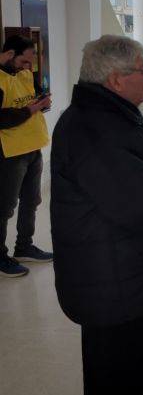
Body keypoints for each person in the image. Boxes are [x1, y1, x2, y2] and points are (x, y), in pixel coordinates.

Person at [51, 35, 143, 395]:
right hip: (112, 281)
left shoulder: (102, 117)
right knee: (117, 375)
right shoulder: (99, 128)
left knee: (119, 371)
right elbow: (139, 204)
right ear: (115, 79)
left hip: (117, 273)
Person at [0, 36, 53, 278]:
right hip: (10, 152)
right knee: (5, 207)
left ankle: (24, 247)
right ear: (9, 54)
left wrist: (43, 103)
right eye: (23, 61)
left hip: (33, 146)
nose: (26, 67)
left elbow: (36, 96)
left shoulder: (25, 73)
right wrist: (29, 110)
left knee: (32, 201)